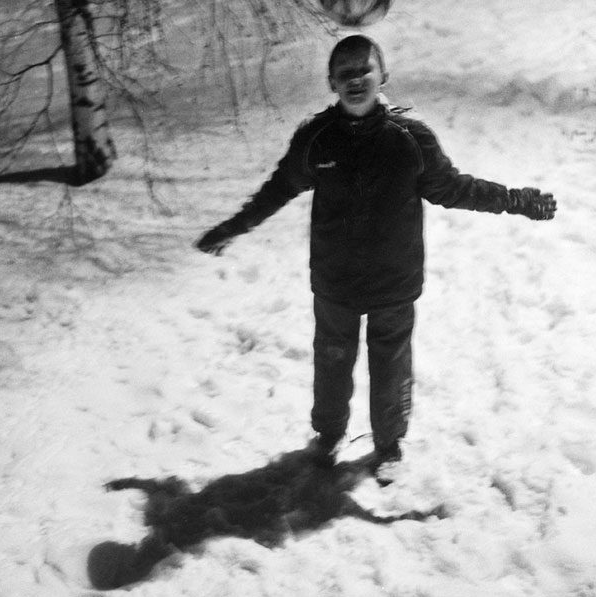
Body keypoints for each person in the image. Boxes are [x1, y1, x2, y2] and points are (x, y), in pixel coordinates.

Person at [195, 34, 556, 483]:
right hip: (335, 282)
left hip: (394, 283)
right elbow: (278, 190)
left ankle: (388, 446)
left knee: (390, 366)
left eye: (363, 69)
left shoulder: (410, 139)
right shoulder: (317, 140)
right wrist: (233, 227)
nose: (355, 79)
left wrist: (516, 200)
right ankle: (328, 435)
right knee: (331, 362)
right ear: (331, 82)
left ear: (383, 76)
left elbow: (454, 188)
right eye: (344, 73)